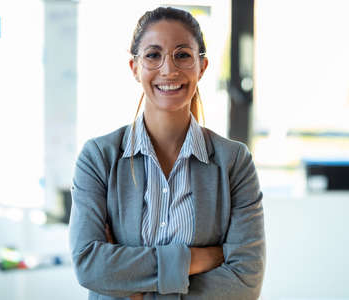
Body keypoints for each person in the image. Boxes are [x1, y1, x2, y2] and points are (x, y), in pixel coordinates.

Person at [69, 6, 265, 300]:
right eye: (153, 55)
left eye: (183, 54)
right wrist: (197, 259)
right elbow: (89, 266)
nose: (169, 69)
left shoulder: (234, 163)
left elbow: (245, 283)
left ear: (203, 67)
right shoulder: (98, 158)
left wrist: (133, 288)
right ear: (135, 68)